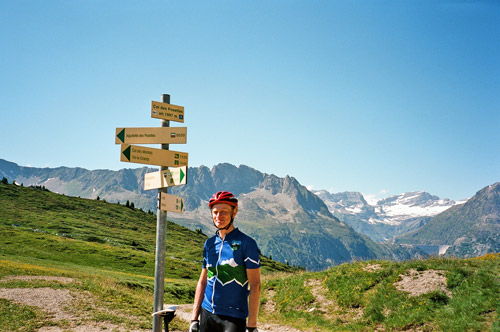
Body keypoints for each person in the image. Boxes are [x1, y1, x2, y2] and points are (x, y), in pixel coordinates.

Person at [190, 191, 261, 332]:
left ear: (234, 213)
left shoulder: (247, 243)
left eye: (224, 212)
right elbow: (203, 281)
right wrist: (194, 318)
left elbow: (255, 285)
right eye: (215, 212)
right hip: (207, 313)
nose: (218, 216)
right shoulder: (209, 243)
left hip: (233, 317)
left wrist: (252, 325)